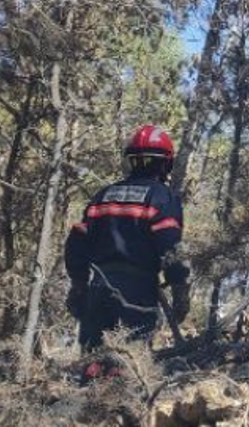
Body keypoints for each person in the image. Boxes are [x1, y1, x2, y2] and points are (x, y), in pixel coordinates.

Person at [63, 124, 190, 359]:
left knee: (93, 361)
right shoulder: (162, 197)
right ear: (165, 163)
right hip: (137, 291)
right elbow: (171, 247)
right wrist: (180, 290)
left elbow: (77, 240)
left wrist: (78, 285)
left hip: (98, 287)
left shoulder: (104, 195)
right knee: (132, 362)